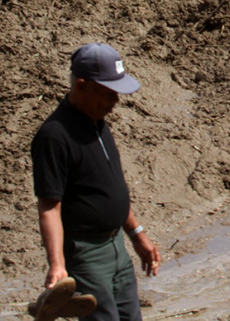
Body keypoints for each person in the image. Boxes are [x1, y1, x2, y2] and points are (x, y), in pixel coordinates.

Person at [31, 43, 162, 321]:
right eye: (107, 93)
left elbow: (109, 189)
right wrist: (57, 265)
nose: (115, 101)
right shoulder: (55, 136)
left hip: (117, 248)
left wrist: (137, 234)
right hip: (88, 254)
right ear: (81, 85)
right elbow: (49, 206)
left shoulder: (98, 123)